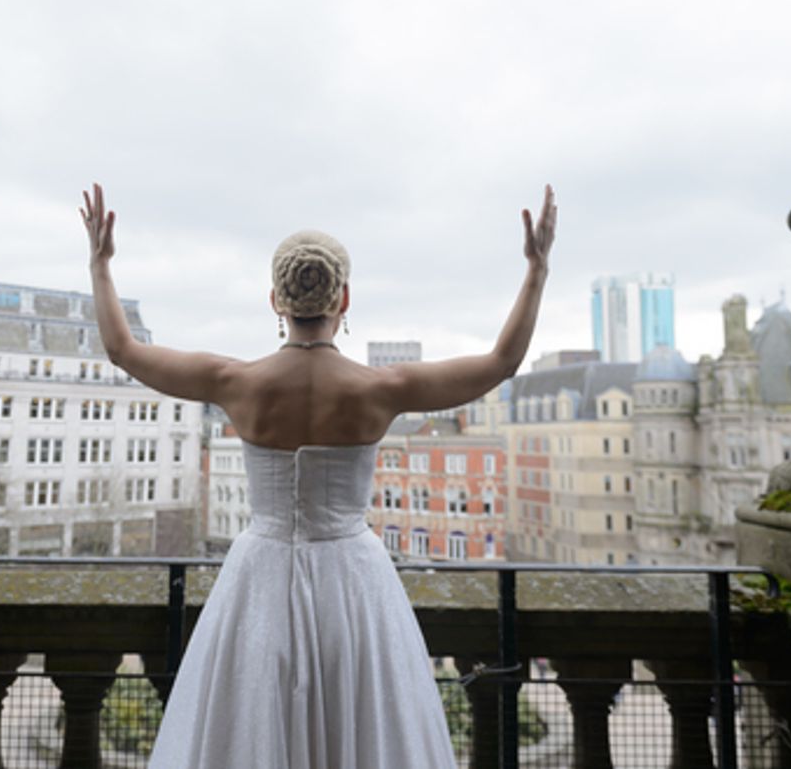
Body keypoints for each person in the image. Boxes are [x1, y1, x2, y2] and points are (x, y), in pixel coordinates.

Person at [80, 183, 556, 769]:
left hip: (260, 577)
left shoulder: (236, 382)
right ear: (345, 300)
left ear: (276, 300)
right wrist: (536, 269)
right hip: (353, 583)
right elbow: (501, 363)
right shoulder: (383, 389)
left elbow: (122, 349)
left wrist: (100, 265)